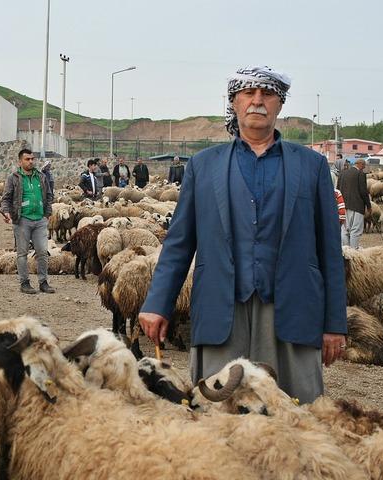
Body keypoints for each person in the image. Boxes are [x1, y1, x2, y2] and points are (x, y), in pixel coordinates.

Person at [138, 66, 346, 403]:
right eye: (248, 94)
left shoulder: (311, 166)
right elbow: (179, 242)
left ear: (280, 105)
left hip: (292, 310)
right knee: (217, 412)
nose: (257, 101)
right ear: (234, 103)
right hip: (222, 309)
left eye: (267, 94)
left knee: (296, 412)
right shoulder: (204, 165)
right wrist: (157, 303)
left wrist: (334, 322)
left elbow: (329, 250)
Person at [1, 148, 55, 294]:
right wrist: (6, 212)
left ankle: (43, 282)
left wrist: (47, 213)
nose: (31, 161)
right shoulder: (14, 178)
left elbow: (49, 196)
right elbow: (6, 198)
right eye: (27, 159)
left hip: (40, 220)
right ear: (20, 161)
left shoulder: (41, 177)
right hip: (22, 220)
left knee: (43, 252)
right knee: (22, 253)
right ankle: (24, 282)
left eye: (32, 159)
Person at [337, 157, 371, 249]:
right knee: (355, 230)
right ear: (360, 164)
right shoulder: (360, 174)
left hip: (343, 206)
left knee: (344, 230)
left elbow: (338, 189)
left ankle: (346, 251)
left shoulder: (342, 173)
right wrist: (368, 206)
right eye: (363, 166)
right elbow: (363, 191)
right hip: (357, 206)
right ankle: (354, 252)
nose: (363, 168)